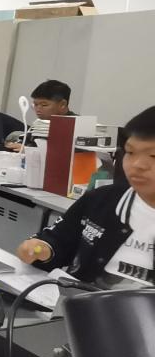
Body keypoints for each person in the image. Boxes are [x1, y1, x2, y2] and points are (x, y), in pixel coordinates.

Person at [17, 106, 155, 288]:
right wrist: (42, 248)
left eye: (153, 155)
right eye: (130, 152)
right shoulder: (102, 199)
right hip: (78, 301)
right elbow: (59, 241)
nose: (137, 164)